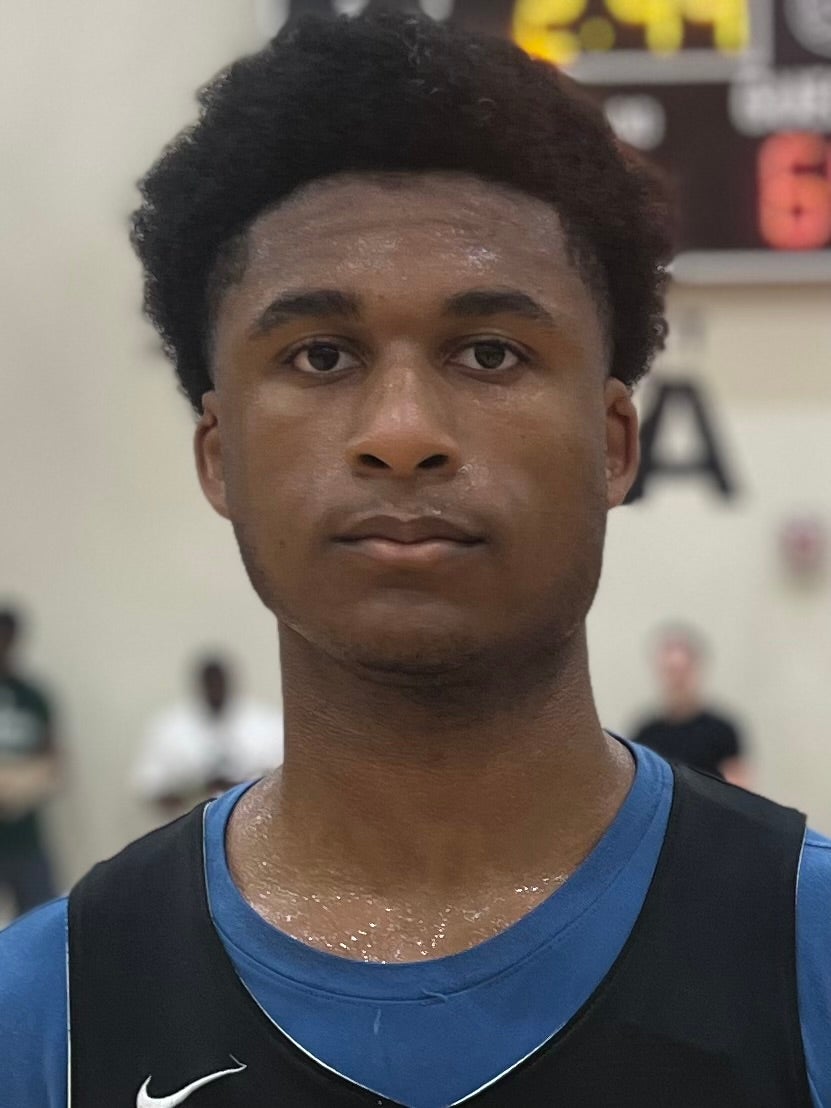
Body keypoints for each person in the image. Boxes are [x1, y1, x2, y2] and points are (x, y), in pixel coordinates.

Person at [1, 11, 829, 1106]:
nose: (401, 430)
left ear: (615, 445)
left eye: (488, 352)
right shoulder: (47, 1006)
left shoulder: (809, 945)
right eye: (321, 355)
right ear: (218, 456)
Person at [132, 654, 284, 818]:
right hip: (190, 820)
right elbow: (149, 787)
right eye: (210, 683)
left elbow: (282, 778)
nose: (215, 688)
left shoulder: (267, 722)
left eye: (219, 682)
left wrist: (239, 789)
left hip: (253, 819)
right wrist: (195, 791)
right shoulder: (168, 727)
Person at [632, 624, 750, 786]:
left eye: (683, 671)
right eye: (671, 671)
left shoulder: (722, 732)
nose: (677, 680)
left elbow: (738, 790)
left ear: (695, 670)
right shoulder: (645, 735)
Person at [0, 608, 60, 922]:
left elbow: (53, 763)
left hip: (25, 835)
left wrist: (18, 786)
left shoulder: (33, 697)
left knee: (40, 920)